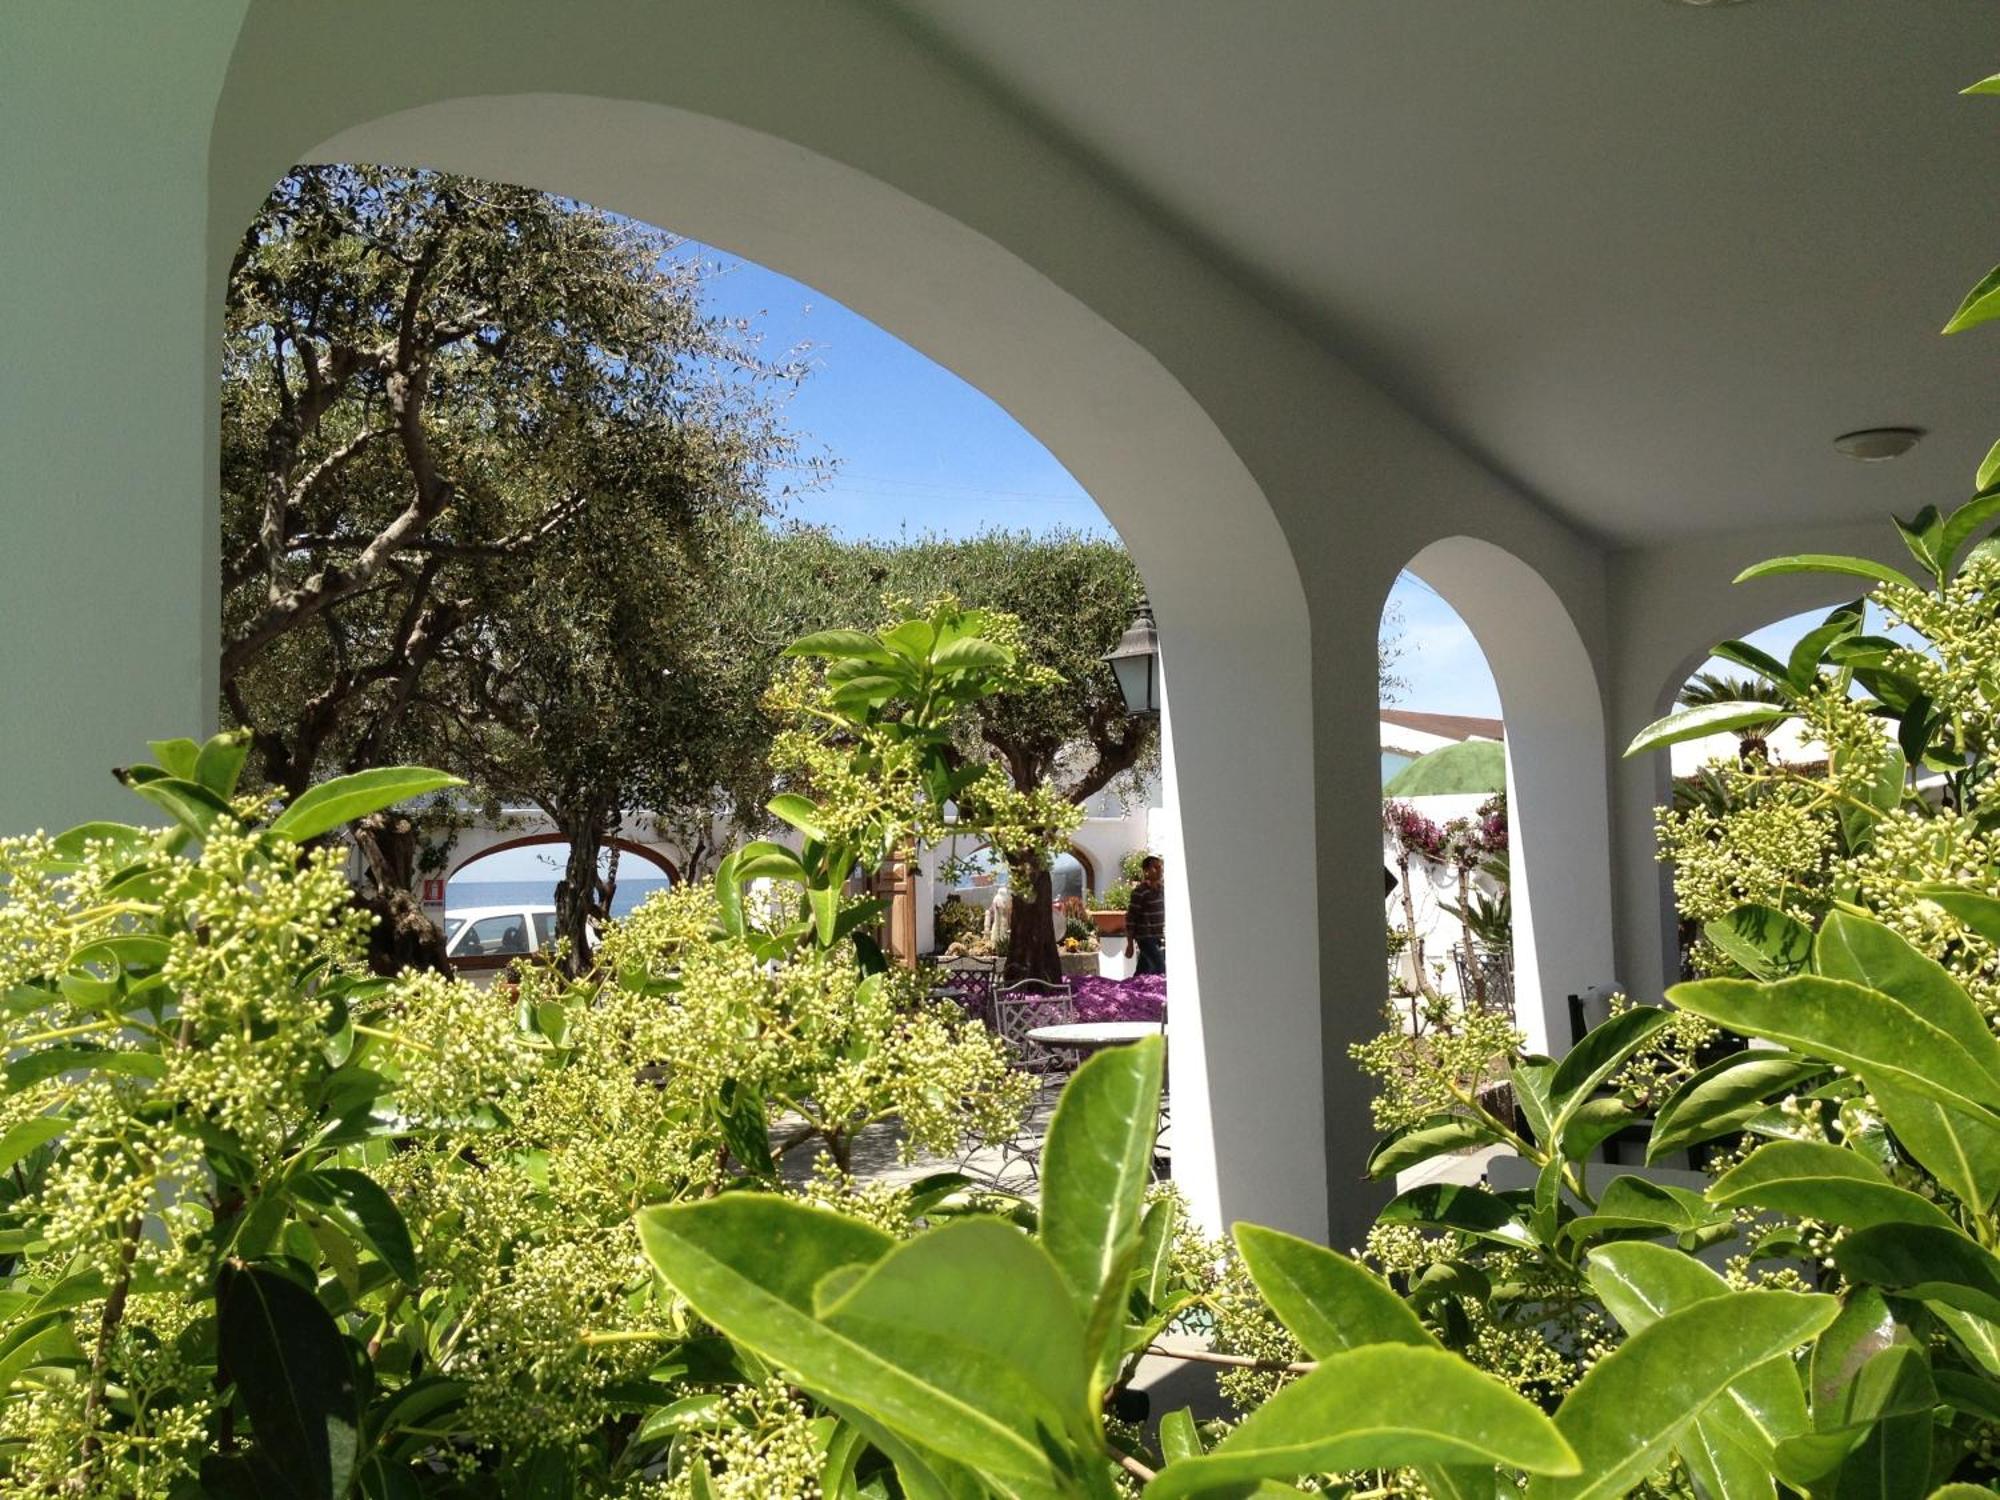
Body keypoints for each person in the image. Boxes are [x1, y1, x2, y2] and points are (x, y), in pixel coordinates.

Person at [1126, 854, 1167, 975]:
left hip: (1156, 937)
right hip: (1145, 938)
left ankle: (1132, 988)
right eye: (1156, 867)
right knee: (1160, 968)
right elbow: (1131, 917)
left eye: (1161, 867)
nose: (1160, 870)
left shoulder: (1162, 890)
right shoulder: (1140, 892)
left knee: (1142, 971)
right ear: (1146, 871)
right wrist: (1130, 944)